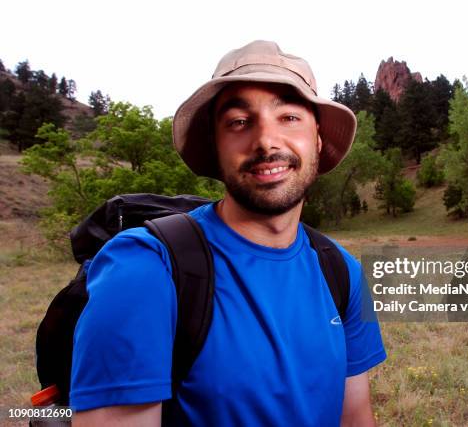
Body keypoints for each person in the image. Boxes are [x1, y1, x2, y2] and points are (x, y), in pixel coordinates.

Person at [70, 40, 386, 426]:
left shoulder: (344, 272)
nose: (266, 141)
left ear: (317, 141)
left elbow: (355, 417)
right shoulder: (145, 268)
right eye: (239, 122)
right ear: (216, 147)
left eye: (288, 117)